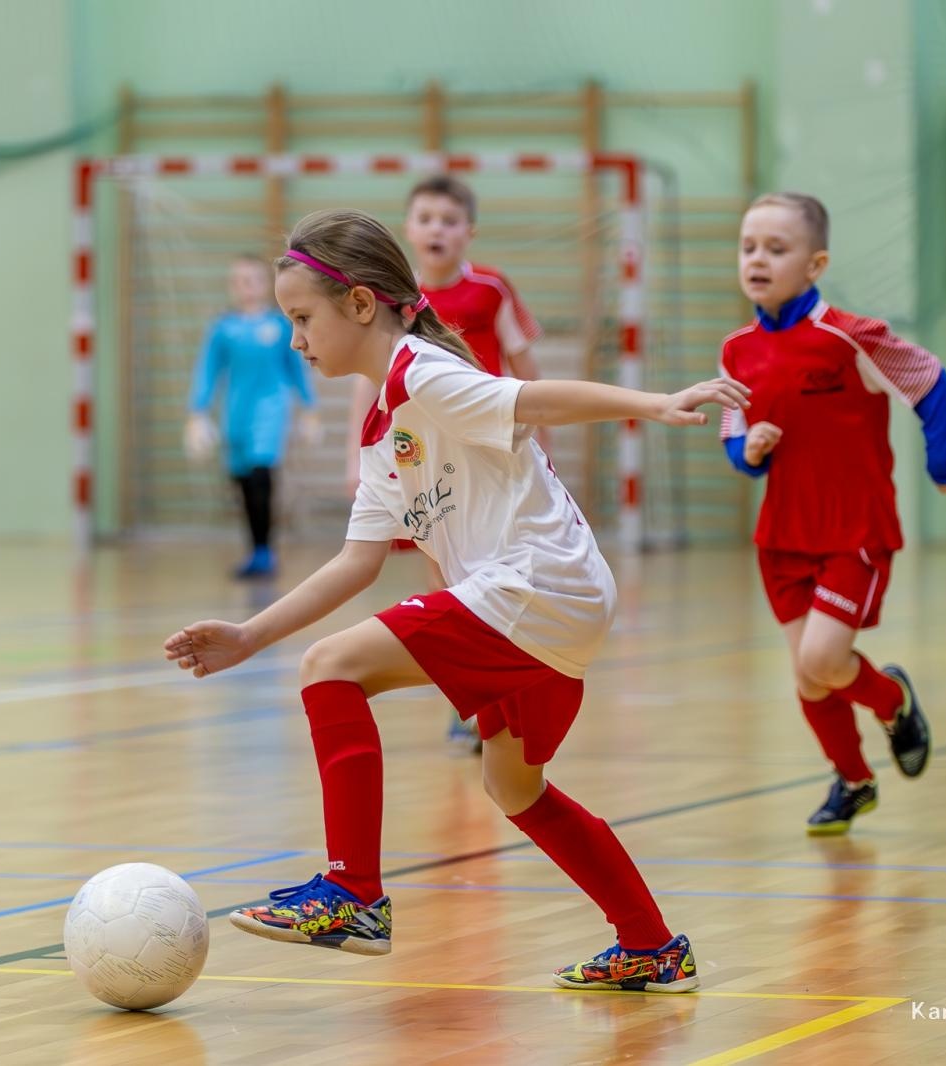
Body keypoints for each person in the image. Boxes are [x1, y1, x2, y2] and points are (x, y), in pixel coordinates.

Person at [165, 207, 749, 990]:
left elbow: (534, 399)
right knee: (513, 787)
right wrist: (247, 636)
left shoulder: (422, 372)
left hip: (536, 584)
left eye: (303, 319)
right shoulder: (382, 426)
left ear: (362, 304)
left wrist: (649, 404)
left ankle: (351, 893)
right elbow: (356, 562)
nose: (296, 339)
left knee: (332, 666)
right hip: (550, 602)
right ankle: (651, 945)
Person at [718, 192, 946, 835]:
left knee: (824, 662)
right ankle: (854, 781)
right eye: (749, 247)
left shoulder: (850, 337)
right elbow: (733, 426)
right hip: (781, 535)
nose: (758, 259)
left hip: (853, 528)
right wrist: (746, 452)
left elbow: (928, 378)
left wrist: (945, 465)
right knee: (810, 680)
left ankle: (893, 700)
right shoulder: (737, 349)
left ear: (815, 263)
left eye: (777, 249)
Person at [345, 175, 546, 751]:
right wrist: (356, 458)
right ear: (409, 229)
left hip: (491, 449)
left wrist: (542, 438)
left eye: (449, 220)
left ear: (469, 233)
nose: (438, 229)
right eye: (427, 218)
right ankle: (471, 702)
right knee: (445, 579)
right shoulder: (396, 298)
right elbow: (370, 381)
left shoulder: (491, 291)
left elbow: (527, 368)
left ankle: (509, 683)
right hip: (425, 458)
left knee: (493, 569)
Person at [187, 255, 320, 579]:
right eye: (239, 281)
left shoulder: (279, 326)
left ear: (266, 285)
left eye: (253, 280)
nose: (246, 287)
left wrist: (309, 408)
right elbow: (207, 370)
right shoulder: (223, 329)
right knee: (243, 481)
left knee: (262, 474)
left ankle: (265, 551)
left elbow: (297, 370)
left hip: (271, 410)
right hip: (236, 413)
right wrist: (197, 412)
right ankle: (255, 548)